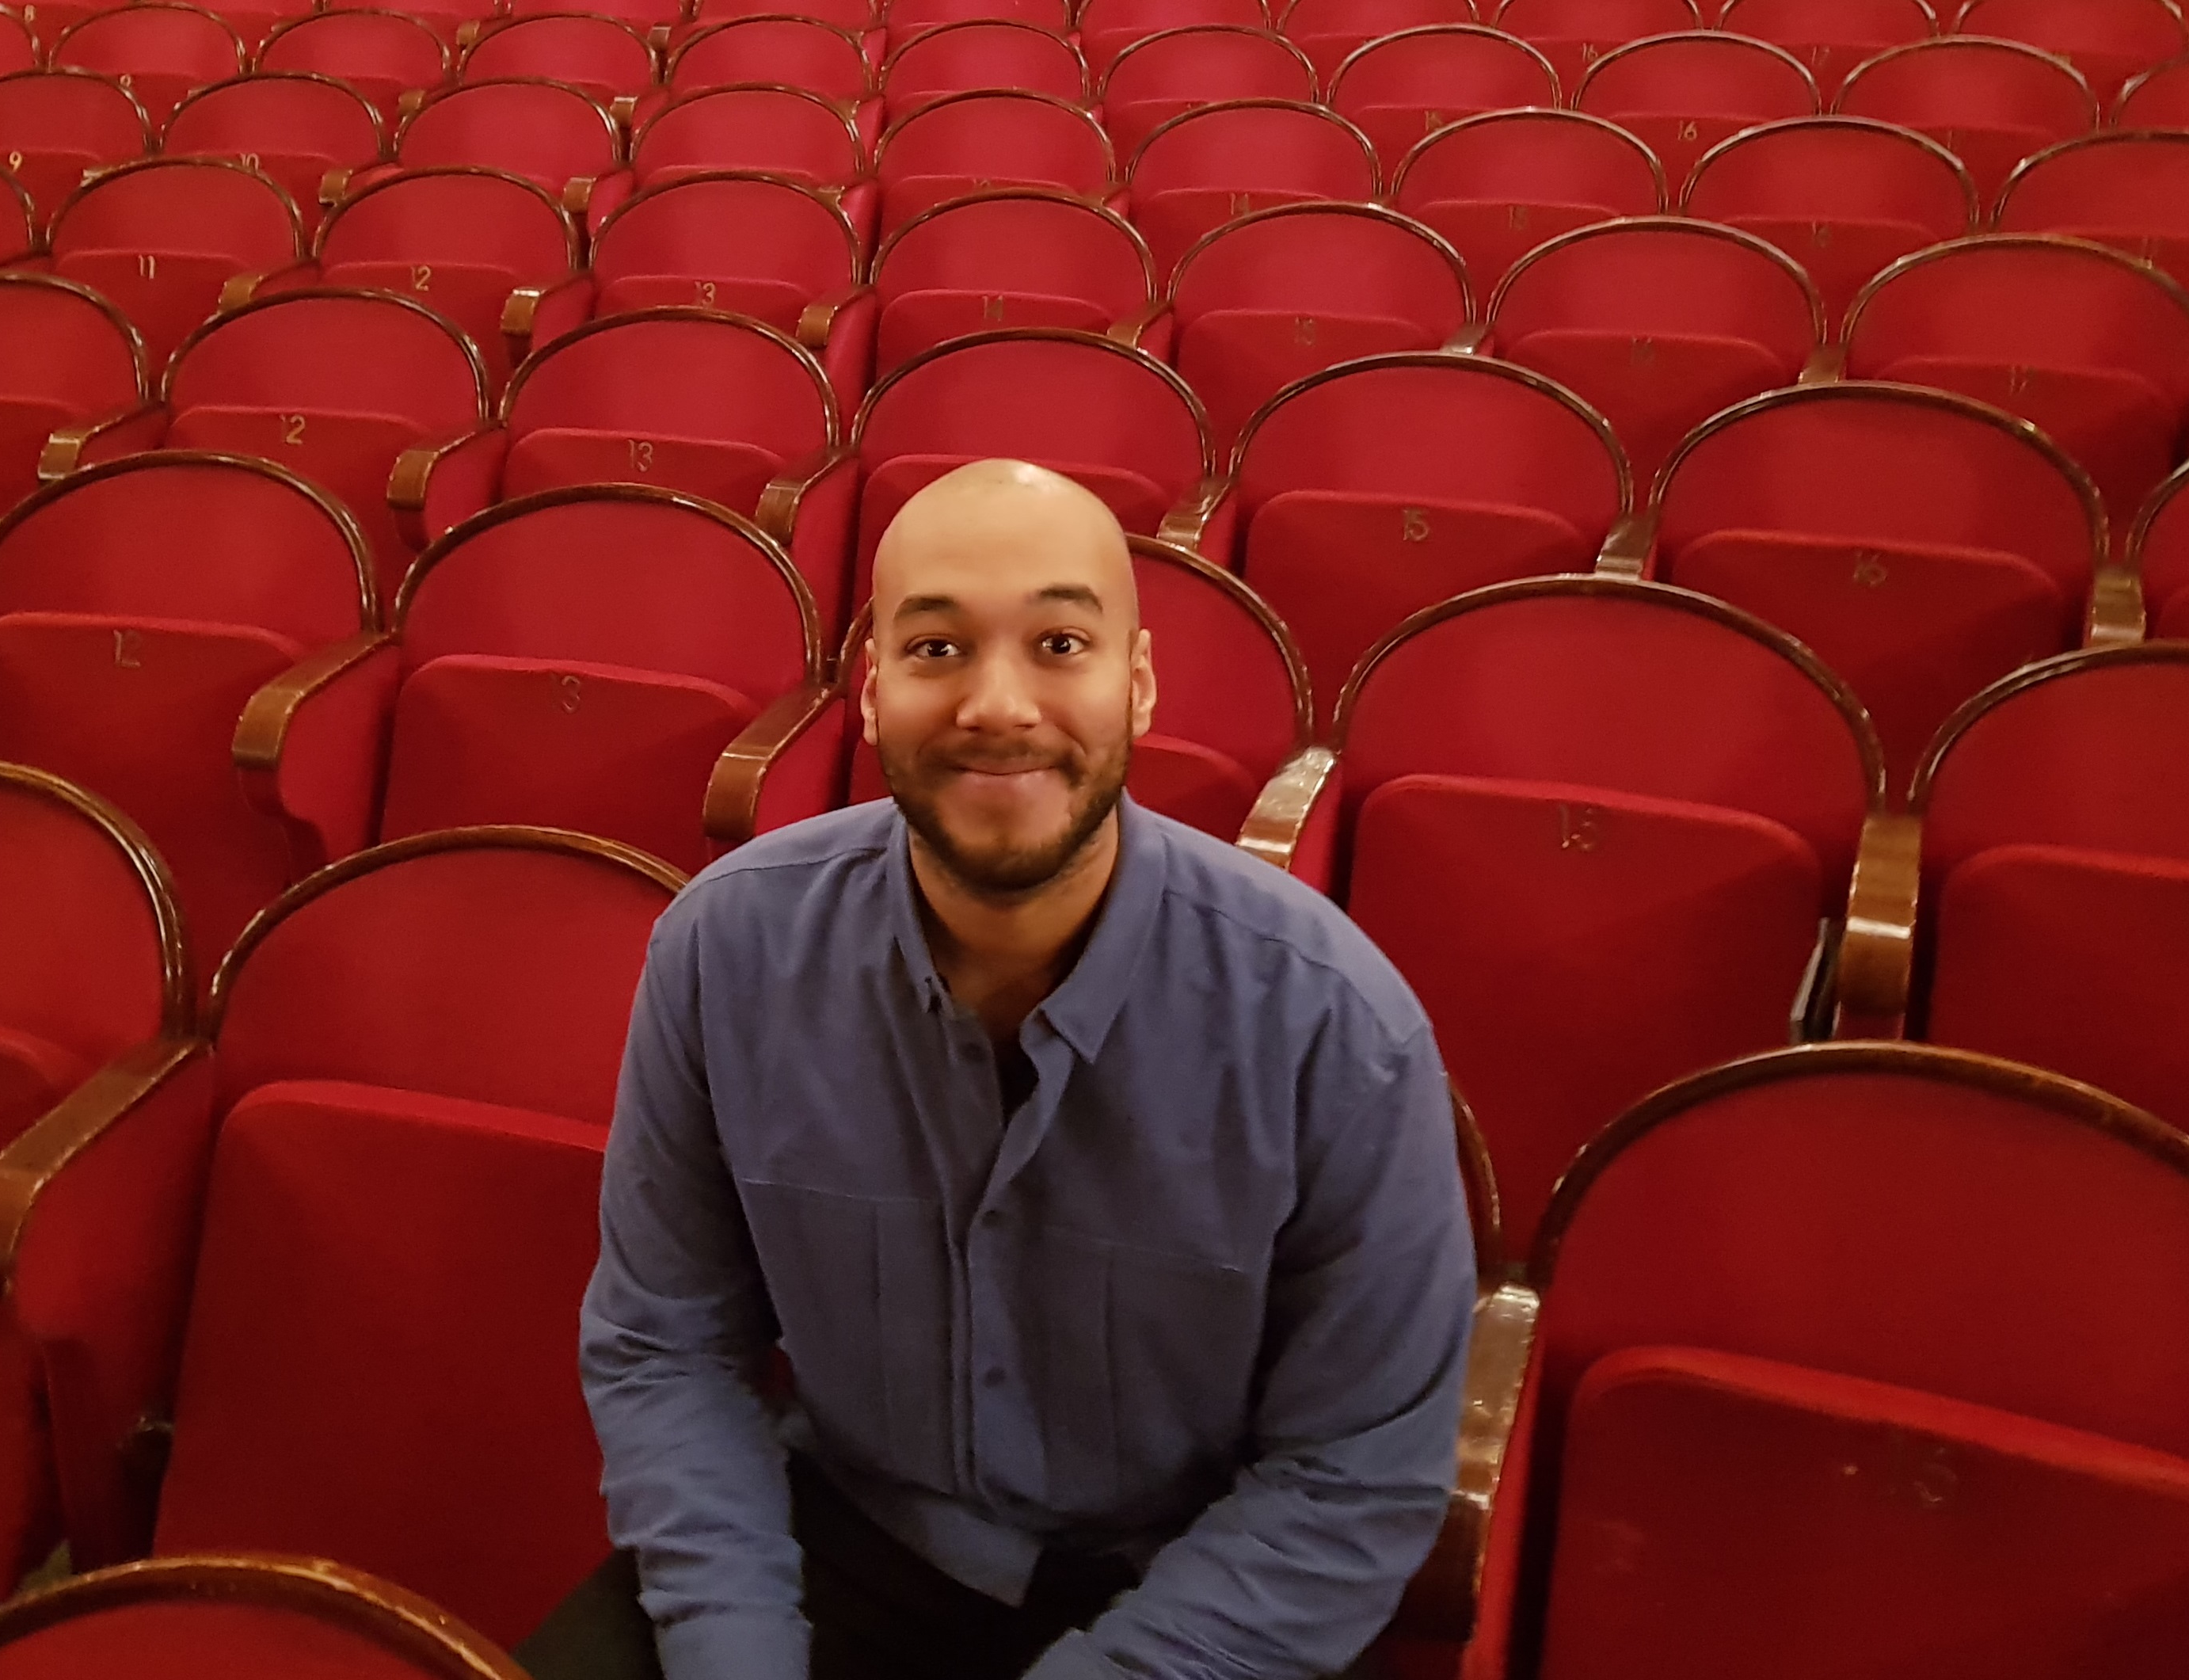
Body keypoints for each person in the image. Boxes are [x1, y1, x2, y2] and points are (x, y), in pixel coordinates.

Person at [520, 459, 1475, 1680]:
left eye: (1059, 644)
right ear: (872, 695)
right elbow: (669, 1344)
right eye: (938, 649)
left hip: (1189, 1589)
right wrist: (735, 1652)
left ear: (1136, 685)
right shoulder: (725, 950)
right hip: (844, 1543)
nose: (999, 704)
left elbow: (1354, 1473)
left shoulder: (1334, 1024)